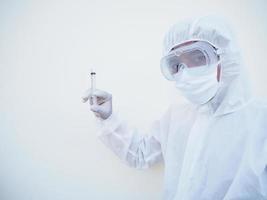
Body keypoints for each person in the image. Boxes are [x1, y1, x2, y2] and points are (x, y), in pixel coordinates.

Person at [82, 16, 267, 200]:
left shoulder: (260, 122)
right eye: (177, 65)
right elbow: (140, 154)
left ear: (226, 57)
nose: (185, 73)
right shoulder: (177, 117)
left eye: (197, 57)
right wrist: (109, 119)